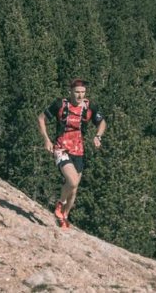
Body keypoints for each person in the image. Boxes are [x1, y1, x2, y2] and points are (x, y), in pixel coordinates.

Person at [37, 78, 107, 229]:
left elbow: (102, 122)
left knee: (74, 189)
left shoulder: (90, 107)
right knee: (73, 181)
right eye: (77, 92)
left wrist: (98, 136)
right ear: (70, 92)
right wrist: (46, 140)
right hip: (61, 148)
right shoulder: (60, 104)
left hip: (79, 150)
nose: (80, 96)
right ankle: (60, 204)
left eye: (83, 92)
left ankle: (64, 216)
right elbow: (41, 118)